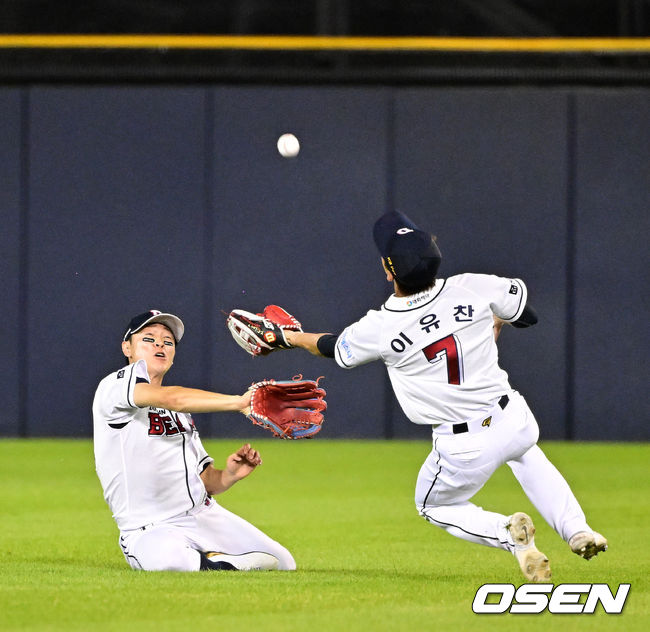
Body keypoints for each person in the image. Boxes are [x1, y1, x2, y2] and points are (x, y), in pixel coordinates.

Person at [278, 211, 607, 582]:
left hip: (464, 445)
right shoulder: (474, 286)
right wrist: (491, 322)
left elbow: (332, 346)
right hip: (512, 416)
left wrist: (286, 337)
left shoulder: (380, 325)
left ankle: (508, 535)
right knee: (528, 454)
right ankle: (577, 530)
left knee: (432, 504)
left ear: (389, 272)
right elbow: (525, 315)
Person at [92, 309, 295, 572]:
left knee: (283, 562)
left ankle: (210, 562)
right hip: (149, 527)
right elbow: (170, 397)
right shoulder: (114, 387)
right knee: (169, 563)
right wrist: (240, 402)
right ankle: (214, 563)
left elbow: (205, 480)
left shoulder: (182, 412)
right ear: (126, 347)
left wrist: (229, 475)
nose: (159, 345)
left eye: (168, 341)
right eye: (149, 338)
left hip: (202, 515)